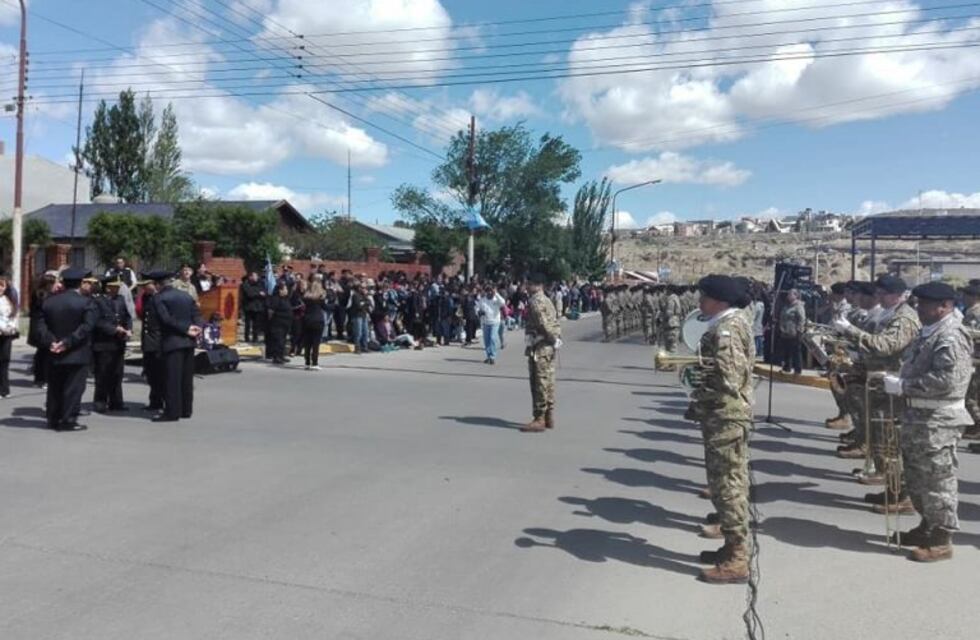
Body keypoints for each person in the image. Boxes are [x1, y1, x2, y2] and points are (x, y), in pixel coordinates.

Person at [882, 282, 972, 561]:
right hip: (919, 418)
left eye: (925, 304)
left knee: (937, 481)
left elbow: (948, 380)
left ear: (944, 306)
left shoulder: (951, 336)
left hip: (938, 421)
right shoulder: (929, 332)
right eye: (918, 303)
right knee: (917, 478)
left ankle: (941, 539)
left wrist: (904, 386)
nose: (919, 308)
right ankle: (927, 526)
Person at [684, 274, 754, 584]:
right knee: (727, 481)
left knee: (727, 485)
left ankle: (737, 557)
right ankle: (730, 547)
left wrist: (700, 387)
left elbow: (729, 378)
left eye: (705, 297)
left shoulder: (727, 328)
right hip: (723, 414)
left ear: (720, 300)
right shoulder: (730, 322)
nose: (700, 302)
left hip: (726, 415)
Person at [834, 275, 920, 508]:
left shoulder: (904, 318)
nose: (878, 297)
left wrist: (851, 331)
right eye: (878, 293)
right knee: (881, 440)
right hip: (879, 384)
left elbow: (886, 346)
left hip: (891, 387)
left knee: (890, 443)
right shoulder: (890, 313)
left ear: (897, 295)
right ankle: (892, 488)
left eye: (883, 293)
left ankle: (902, 494)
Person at [36, 267, 98, 431]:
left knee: (55, 387)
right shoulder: (86, 302)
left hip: (54, 352)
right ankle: (68, 420)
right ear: (81, 283)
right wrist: (67, 342)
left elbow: (40, 327)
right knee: (74, 388)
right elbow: (87, 327)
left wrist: (52, 342)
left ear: (63, 283)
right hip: (77, 352)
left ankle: (53, 418)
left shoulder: (49, 302)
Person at [152, 271, 203, 422]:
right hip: (189, 342)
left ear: (158, 285)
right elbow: (197, 314)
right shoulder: (185, 296)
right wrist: (197, 327)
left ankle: (172, 412)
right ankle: (186, 410)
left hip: (172, 342)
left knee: (172, 378)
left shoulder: (159, 298)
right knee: (186, 378)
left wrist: (185, 328)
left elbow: (166, 319)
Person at [521, 273, 562, 433]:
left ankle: (539, 418)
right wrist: (555, 339)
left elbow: (543, 324)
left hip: (540, 345)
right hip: (548, 346)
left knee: (539, 382)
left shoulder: (535, 301)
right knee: (548, 380)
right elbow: (555, 321)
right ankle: (549, 415)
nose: (526, 286)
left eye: (529, 283)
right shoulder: (547, 300)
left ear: (537, 285)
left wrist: (551, 338)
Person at [91, 278, 132, 413]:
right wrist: (114, 329)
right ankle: (100, 401)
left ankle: (116, 401)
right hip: (103, 343)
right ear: (107, 287)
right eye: (115, 286)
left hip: (118, 342)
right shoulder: (98, 301)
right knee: (102, 373)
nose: (118, 289)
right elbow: (97, 322)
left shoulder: (120, 299)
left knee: (117, 373)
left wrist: (128, 329)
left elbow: (127, 316)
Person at [139, 273, 166, 413]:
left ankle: (163, 401)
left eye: (146, 285)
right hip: (148, 341)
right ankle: (155, 401)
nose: (144, 288)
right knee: (151, 374)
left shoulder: (161, 298)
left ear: (154, 284)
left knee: (160, 374)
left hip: (158, 341)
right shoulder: (147, 297)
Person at [28, 272, 59, 388]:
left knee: (41, 353)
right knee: (46, 354)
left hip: (39, 326)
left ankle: (39, 378)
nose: (57, 286)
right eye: (55, 283)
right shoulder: (44, 296)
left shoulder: (39, 294)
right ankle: (43, 379)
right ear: (49, 284)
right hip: (42, 327)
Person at [778, 289, 806, 374]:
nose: (788, 296)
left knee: (796, 351)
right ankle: (787, 367)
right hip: (785, 332)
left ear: (796, 296)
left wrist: (799, 330)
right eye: (788, 294)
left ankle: (798, 369)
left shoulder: (798, 306)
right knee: (786, 351)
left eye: (791, 294)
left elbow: (801, 319)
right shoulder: (786, 306)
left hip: (794, 332)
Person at [301, 277, 326, 370]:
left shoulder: (306, 298)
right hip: (318, 320)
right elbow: (326, 307)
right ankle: (315, 363)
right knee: (316, 343)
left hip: (307, 320)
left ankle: (307, 362)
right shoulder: (320, 299)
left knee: (307, 343)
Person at [0, 275, 19, 398]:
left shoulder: (8, 299)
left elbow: (13, 316)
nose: (0, 288)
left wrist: (12, 327)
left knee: (5, 361)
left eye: (2, 285)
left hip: (7, 334)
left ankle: (4, 389)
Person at [478, 284, 506, 365]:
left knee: (492, 338)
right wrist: (479, 312)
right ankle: (488, 356)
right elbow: (478, 308)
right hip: (485, 322)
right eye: (488, 291)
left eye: (491, 291)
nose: (489, 292)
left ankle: (492, 357)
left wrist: (496, 293)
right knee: (487, 340)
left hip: (495, 322)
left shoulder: (496, 300)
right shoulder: (482, 300)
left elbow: (503, 303)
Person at [266, 283, 293, 365]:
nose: (286, 291)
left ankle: (281, 355)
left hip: (285, 323)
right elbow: (271, 311)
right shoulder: (276, 299)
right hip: (278, 323)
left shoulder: (285, 298)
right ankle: (276, 357)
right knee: (279, 340)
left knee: (283, 340)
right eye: (285, 289)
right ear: (280, 290)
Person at [240, 271, 267, 344]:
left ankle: (255, 338)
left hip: (258, 307)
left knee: (256, 324)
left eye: (257, 276)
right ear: (250, 277)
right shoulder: (245, 284)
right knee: (248, 324)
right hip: (249, 307)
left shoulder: (260, 283)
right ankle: (247, 338)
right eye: (255, 276)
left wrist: (258, 293)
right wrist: (259, 293)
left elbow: (264, 293)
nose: (256, 277)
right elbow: (249, 294)